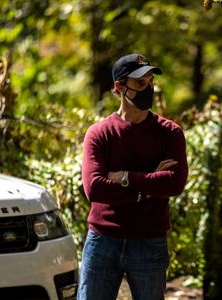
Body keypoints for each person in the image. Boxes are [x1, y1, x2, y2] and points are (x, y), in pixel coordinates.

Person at [78, 53, 188, 300]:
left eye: (150, 82)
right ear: (120, 87)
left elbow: (175, 182)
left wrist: (126, 177)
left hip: (150, 241)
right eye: (140, 83)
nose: (148, 88)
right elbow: (95, 189)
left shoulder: (170, 133)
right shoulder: (99, 133)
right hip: (102, 240)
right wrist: (150, 184)